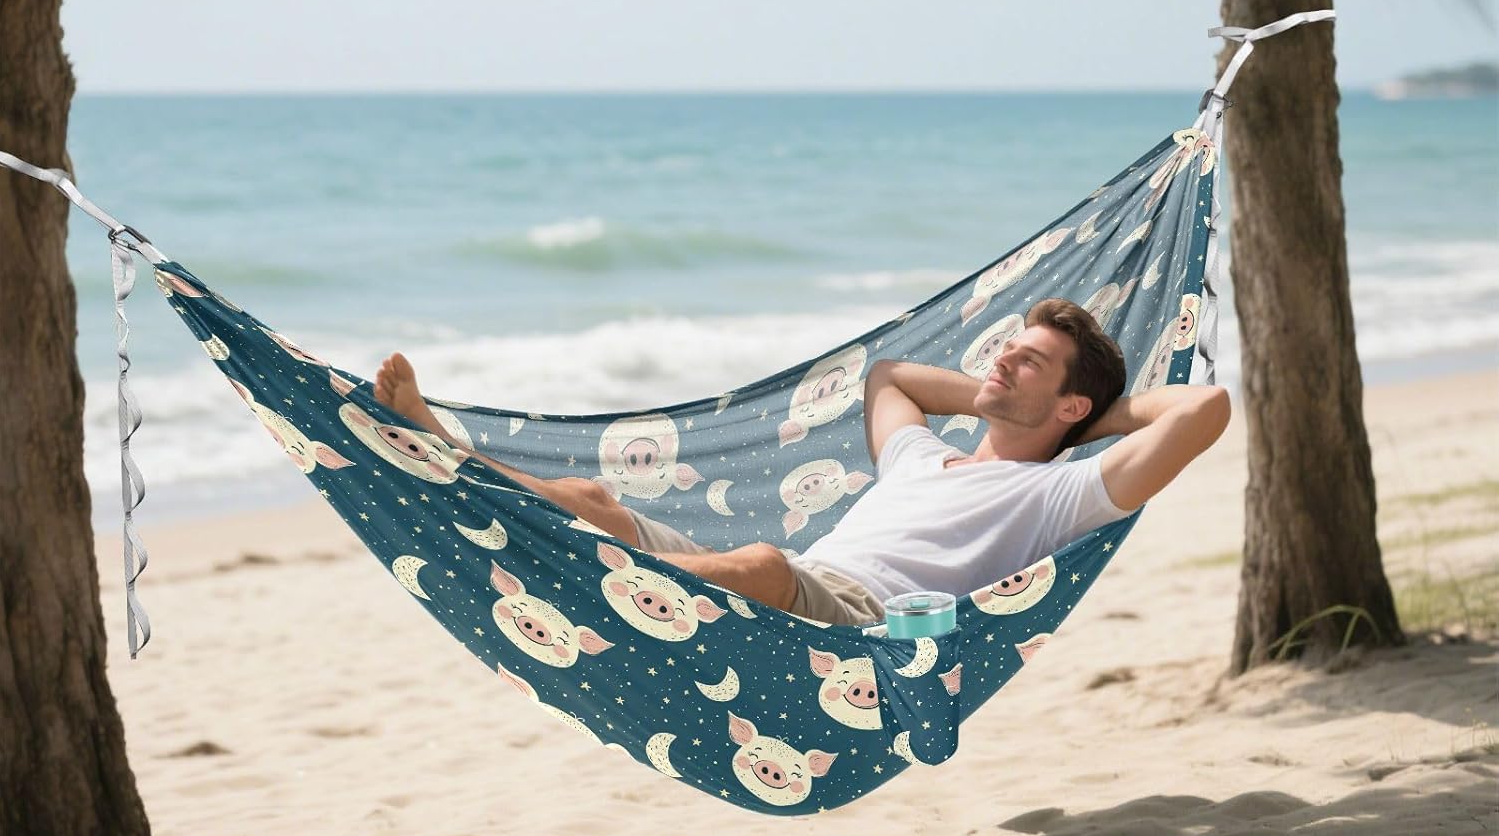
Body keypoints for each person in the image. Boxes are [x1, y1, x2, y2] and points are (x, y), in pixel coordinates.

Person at [373, 298, 1230, 627]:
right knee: (595, 498)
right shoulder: (920, 457)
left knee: (763, 563)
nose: (1000, 359)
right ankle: (447, 452)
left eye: (1028, 362)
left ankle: (591, 584)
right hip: (793, 580)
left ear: (1073, 406)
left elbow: (1207, 408)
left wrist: (1095, 424)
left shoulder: (1061, 491)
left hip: (852, 617)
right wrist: (1003, 393)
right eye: (1005, 348)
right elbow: (890, 377)